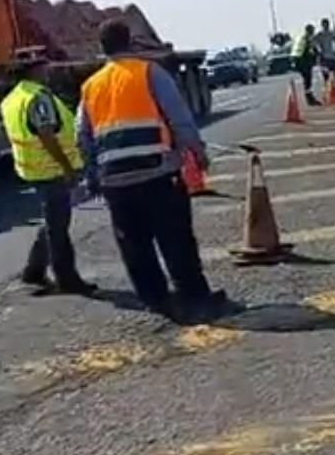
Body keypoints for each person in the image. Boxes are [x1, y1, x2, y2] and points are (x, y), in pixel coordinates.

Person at [76, 19, 226, 321]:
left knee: (134, 245)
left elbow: (83, 136)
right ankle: (195, 299)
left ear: (102, 49)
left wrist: (93, 175)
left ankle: (156, 299)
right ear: (130, 42)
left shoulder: (90, 86)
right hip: (157, 173)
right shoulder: (149, 73)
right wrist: (197, 153)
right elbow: (179, 117)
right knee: (176, 239)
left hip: (115, 181)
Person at [0, 49, 97, 296]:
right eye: (43, 67)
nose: (48, 71)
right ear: (34, 70)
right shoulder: (38, 97)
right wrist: (67, 167)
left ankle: (34, 270)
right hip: (52, 170)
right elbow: (47, 135)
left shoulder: (12, 98)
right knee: (58, 228)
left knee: (52, 221)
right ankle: (67, 278)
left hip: (34, 169)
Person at [291, 23, 321, 106]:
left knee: (307, 80)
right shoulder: (308, 39)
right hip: (304, 61)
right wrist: (317, 54)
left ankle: (310, 98)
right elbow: (312, 50)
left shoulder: (301, 38)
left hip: (299, 61)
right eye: (312, 30)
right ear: (310, 31)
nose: (313, 32)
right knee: (308, 81)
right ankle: (310, 99)